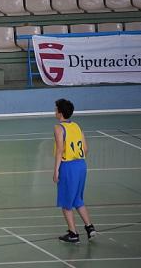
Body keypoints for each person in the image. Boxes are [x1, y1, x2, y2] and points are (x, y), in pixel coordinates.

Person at [53, 98, 96, 243]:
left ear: (60, 112)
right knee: (78, 199)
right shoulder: (77, 126)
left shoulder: (59, 128)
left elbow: (59, 150)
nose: (55, 111)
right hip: (81, 165)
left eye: (56, 108)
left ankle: (73, 233)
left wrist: (56, 170)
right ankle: (90, 227)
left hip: (68, 167)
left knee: (66, 204)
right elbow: (86, 149)